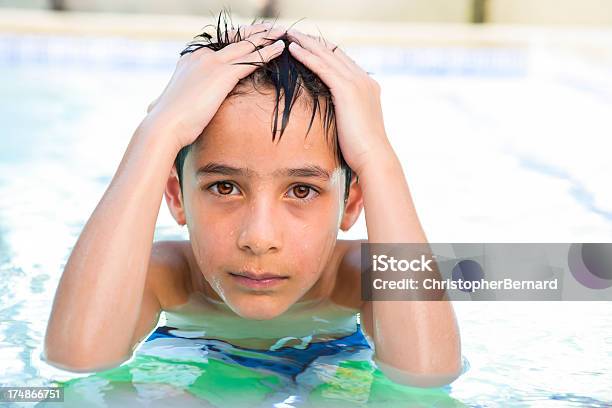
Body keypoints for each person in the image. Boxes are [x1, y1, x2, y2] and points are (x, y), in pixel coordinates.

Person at [43, 12, 461, 388]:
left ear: (352, 203)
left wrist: (376, 158)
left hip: (335, 366)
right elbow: (78, 361)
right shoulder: (162, 277)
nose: (259, 238)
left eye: (302, 190)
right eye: (224, 187)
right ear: (176, 195)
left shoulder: (357, 278)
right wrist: (158, 132)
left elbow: (426, 374)